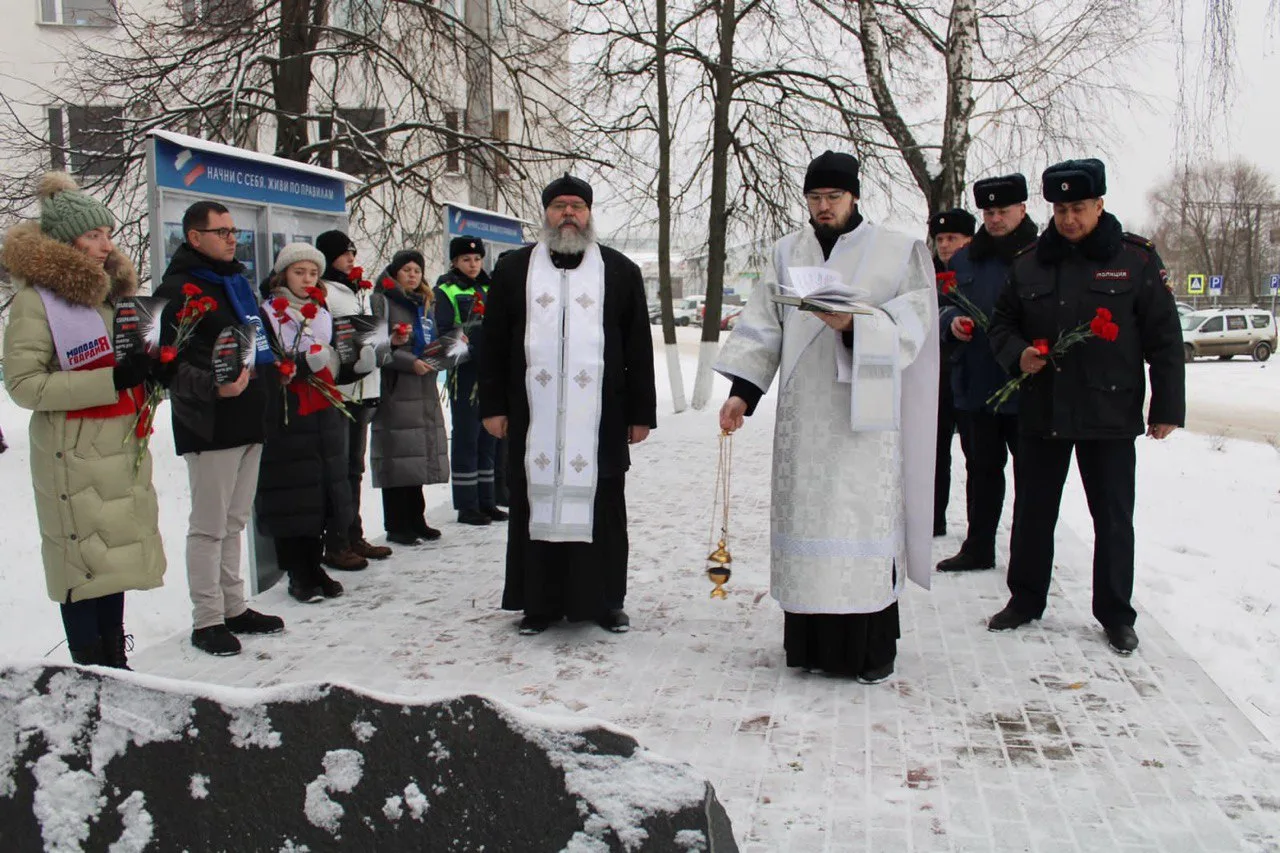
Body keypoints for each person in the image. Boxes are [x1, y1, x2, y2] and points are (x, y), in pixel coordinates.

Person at [715, 151, 938, 684]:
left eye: (834, 197)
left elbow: (915, 321)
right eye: (815, 198)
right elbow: (763, 326)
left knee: (859, 523)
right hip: (803, 418)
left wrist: (855, 326)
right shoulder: (786, 251)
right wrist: (742, 393)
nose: (823, 207)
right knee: (808, 523)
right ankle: (810, 647)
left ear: (854, 196)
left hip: (865, 422)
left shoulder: (896, 250)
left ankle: (870, 651)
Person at [985, 158, 1185, 655]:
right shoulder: (1030, 261)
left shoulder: (1135, 260)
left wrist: (1167, 406)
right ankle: (1025, 599)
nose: (1069, 219)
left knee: (1113, 519)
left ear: (1099, 205)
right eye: (1060, 209)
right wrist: (1018, 354)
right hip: (1044, 408)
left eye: (1078, 208)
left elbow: (1164, 337)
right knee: (1033, 512)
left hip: (1109, 411)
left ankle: (1116, 613)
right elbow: (1002, 324)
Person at [479, 174, 657, 636]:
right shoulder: (514, 269)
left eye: (577, 206)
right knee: (533, 503)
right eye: (559, 206)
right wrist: (493, 405)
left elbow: (638, 346)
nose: (568, 214)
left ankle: (605, 602)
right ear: (546, 213)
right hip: (531, 414)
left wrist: (641, 413)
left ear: (589, 213)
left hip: (601, 417)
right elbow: (492, 343)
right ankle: (537, 604)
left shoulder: (619, 270)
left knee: (604, 508)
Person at [2, 172, 166, 668]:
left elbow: (126, 367)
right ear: (65, 242)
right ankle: (90, 668)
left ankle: (115, 662)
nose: (106, 245)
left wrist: (153, 374)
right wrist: (111, 379)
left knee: (114, 559)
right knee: (82, 563)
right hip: (71, 453)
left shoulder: (112, 299)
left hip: (118, 444)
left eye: (107, 234)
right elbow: (25, 384)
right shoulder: (37, 301)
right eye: (94, 235)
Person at [155, 200, 285, 657]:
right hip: (210, 423)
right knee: (209, 526)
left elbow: (255, 341)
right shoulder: (177, 290)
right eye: (222, 232)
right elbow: (166, 364)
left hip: (249, 416)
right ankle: (207, 619)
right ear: (194, 237)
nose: (233, 239)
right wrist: (215, 385)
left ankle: (234, 606)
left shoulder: (235, 284)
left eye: (234, 231)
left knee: (234, 521)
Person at [257, 243, 376, 603]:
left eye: (313, 273)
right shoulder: (268, 313)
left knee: (322, 492)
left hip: (324, 410)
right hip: (290, 414)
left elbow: (331, 361)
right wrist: (296, 366)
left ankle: (316, 563)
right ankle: (298, 571)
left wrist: (355, 366)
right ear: (283, 275)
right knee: (295, 495)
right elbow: (266, 366)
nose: (307, 279)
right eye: (299, 272)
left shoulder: (321, 312)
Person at [936, 175, 1039, 572]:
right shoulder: (964, 260)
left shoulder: (1041, 256)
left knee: (1032, 479)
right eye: (989, 212)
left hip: (1027, 387)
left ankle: (1027, 557)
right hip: (977, 383)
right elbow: (941, 305)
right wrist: (951, 322)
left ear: (1022, 210)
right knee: (980, 471)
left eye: (1003, 211)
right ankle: (978, 547)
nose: (995, 219)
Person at [315, 230, 394, 569]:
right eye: (343, 253)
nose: (350, 259)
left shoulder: (356, 290)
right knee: (339, 470)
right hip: (342, 389)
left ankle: (353, 533)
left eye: (352, 253)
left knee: (354, 469)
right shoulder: (326, 291)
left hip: (365, 386)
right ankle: (337, 540)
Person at [370, 250, 450, 545]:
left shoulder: (425, 302)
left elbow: (431, 340)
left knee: (417, 454)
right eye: (407, 270)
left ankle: (416, 518)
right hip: (397, 386)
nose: (413, 275)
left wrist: (448, 348)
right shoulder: (383, 301)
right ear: (395, 273)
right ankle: (396, 523)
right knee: (397, 455)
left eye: (417, 270)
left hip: (423, 385)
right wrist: (408, 361)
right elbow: (377, 348)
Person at [436, 235, 505, 526]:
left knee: (488, 435)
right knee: (467, 435)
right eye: (466, 259)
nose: (473, 264)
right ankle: (467, 504)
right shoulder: (446, 289)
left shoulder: (489, 287)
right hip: (464, 369)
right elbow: (444, 330)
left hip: (489, 369)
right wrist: (469, 347)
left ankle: (487, 500)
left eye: (477, 259)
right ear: (455, 261)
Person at [929, 207, 975, 537]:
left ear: (968, 240)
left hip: (970, 374)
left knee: (977, 456)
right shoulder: (925, 273)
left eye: (952, 238)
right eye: (940, 239)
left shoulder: (976, 272)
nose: (945, 245)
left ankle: (978, 527)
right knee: (934, 450)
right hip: (936, 375)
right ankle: (933, 518)